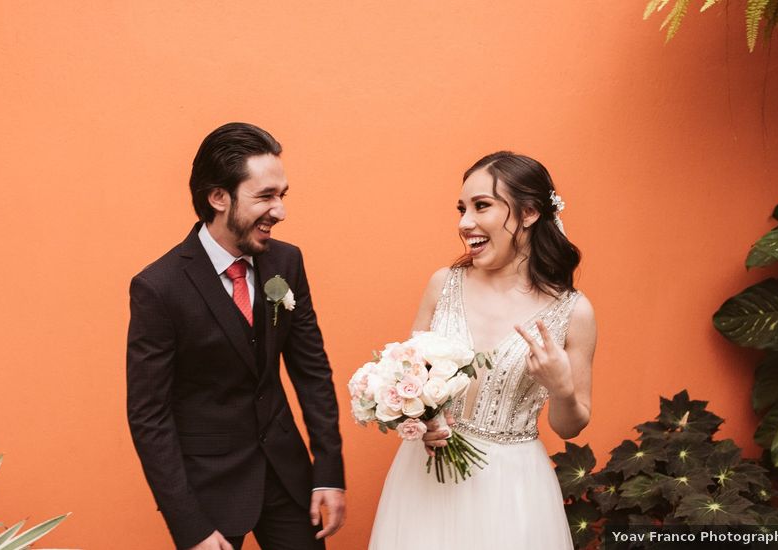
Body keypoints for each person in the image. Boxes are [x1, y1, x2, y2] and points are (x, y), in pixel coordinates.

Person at [127, 122, 346, 550]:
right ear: (218, 197)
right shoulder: (158, 287)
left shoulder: (287, 261)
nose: (279, 211)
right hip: (208, 490)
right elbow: (148, 416)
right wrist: (188, 525)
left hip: (287, 475)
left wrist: (329, 471)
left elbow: (312, 372)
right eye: (265, 196)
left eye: (282, 195)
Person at [368, 151, 596, 549]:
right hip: (426, 480)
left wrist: (560, 388)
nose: (464, 222)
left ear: (528, 213)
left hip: (512, 489)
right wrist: (426, 423)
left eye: (482, 206)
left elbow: (569, 426)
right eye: (462, 208)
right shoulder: (443, 284)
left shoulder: (573, 312)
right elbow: (409, 379)